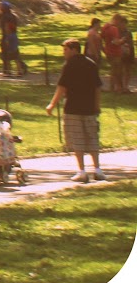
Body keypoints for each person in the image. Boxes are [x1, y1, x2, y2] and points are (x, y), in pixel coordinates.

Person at [46, 38, 107, 181]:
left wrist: (52, 104)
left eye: (66, 50)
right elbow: (97, 88)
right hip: (90, 107)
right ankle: (97, 169)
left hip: (72, 107)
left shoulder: (69, 66)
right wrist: (97, 105)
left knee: (77, 139)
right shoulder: (91, 64)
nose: (64, 53)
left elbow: (62, 87)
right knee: (92, 138)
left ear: (74, 49)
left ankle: (82, 171)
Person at [0, 2, 24, 77]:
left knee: (6, 54)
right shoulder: (13, 16)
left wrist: (6, 37)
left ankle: (7, 71)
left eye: (1, 6)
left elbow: (7, 27)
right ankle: (20, 71)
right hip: (14, 35)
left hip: (7, 36)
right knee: (16, 54)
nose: (0, 8)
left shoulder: (5, 17)